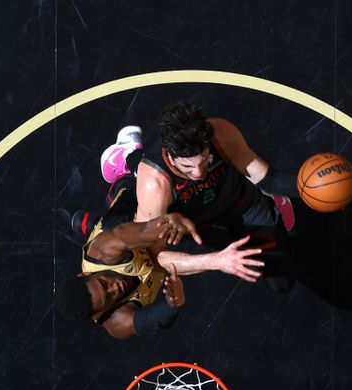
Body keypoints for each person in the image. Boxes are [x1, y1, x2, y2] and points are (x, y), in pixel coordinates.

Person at [129, 101, 300, 291]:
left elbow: (270, 179)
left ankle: (269, 201)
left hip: (241, 204)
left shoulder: (221, 134)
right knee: (127, 210)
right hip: (194, 224)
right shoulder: (155, 182)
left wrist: (313, 188)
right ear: (170, 155)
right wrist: (215, 261)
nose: (198, 173)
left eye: (204, 161)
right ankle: (128, 160)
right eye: (188, 167)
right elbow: (151, 256)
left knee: (281, 284)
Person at [57, 184, 265, 339]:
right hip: (151, 258)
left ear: (84, 274)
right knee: (161, 259)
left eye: (104, 283)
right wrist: (173, 304)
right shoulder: (115, 322)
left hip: (130, 218)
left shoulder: (103, 251)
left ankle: (123, 172)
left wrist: (167, 221)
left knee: (174, 203)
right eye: (109, 297)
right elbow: (152, 321)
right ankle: (91, 221)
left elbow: (141, 231)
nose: (115, 288)